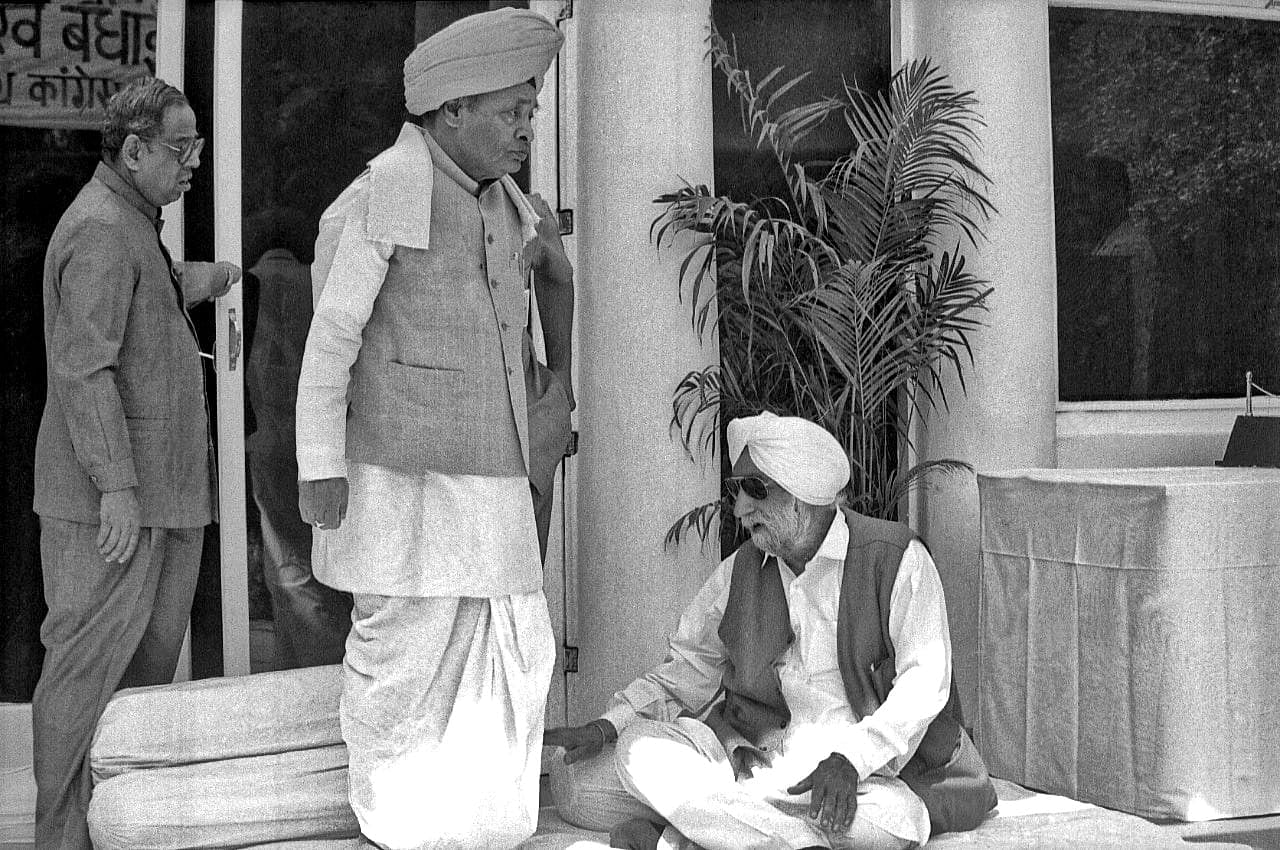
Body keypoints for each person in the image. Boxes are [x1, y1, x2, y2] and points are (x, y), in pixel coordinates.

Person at [294, 8, 573, 849]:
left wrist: (556, 387)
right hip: (399, 478)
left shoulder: (509, 200)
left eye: (530, 111)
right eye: (512, 112)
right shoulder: (386, 187)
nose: (528, 129)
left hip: (492, 469)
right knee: (402, 666)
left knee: (515, 645)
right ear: (451, 111)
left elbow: (553, 282)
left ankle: (485, 828)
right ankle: (397, 830)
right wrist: (318, 462)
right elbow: (332, 334)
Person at [545, 412, 997, 850]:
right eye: (736, 491)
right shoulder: (739, 570)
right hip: (753, 766)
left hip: (862, 780)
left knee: (896, 820)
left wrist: (851, 759)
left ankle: (691, 836)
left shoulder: (896, 557)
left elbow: (924, 685)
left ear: (801, 493)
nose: (740, 508)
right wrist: (609, 726)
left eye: (755, 491)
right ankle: (787, 842)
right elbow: (685, 672)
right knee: (601, 770)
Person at [31, 76, 239, 850]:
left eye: (197, 146)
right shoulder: (101, 231)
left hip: (158, 503)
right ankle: (60, 842)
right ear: (133, 149)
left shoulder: (127, 223)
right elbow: (84, 368)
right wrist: (117, 487)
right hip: (114, 510)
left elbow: (138, 304)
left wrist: (203, 282)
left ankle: (110, 834)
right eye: (182, 148)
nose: (193, 162)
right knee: (85, 682)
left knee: (133, 697)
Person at [243, 208, 352, 669]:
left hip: (268, 440)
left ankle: (300, 672)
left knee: (287, 572)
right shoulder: (316, 281)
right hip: (320, 439)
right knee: (325, 568)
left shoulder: (250, 285)